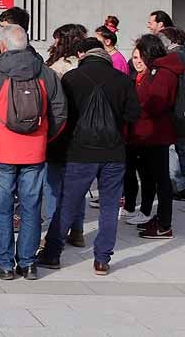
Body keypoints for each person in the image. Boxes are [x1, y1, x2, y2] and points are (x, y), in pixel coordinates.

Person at [0, 25, 67, 281]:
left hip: (1, 150)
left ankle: (3, 263)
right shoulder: (46, 72)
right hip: (34, 151)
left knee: (1, 208)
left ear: (2, 45)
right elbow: (60, 113)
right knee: (31, 207)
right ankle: (28, 262)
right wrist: (44, 138)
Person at [36, 38, 140, 275]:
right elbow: (133, 114)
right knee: (110, 207)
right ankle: (102, 260)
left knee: (67, 204)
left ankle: (52, 254)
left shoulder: (72, 78)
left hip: (80, 151)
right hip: (113, 152)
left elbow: (61, 115)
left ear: (84, 55)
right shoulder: (123, 80)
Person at [127, 34, 182, 239]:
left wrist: (137, 109)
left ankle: (164, 224)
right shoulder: (157, 70)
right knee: (153, 178)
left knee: (161, 181)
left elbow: (157, 103)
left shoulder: (163, 72)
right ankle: (159, 219)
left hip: (157, 133)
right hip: (151, 132)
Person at [43, 23, 89, 241]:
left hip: (58, 128)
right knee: (77, 184)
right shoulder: (84, 64)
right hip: (80, 130)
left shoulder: (59, 66)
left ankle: (55, 232)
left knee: (53, 184)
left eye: (57, 38)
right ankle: (77, 230)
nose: (54, 42)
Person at [157, 27, 185, 201]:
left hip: (178, 113)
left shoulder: (171, 59)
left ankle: (180, 187)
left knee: (177, 149)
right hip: (179, 112)